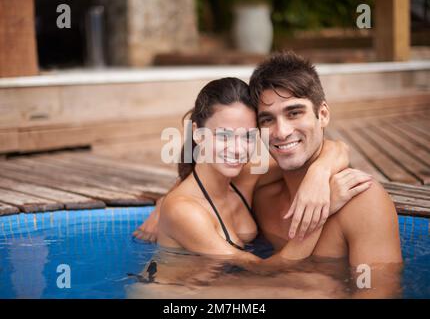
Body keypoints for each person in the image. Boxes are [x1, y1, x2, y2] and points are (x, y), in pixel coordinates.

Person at [134, 77, 371, 266]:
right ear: (198, 133)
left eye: (247, 136)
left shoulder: (243, 178)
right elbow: (267, 269)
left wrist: (318, 174)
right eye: (224, 135)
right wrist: (324, 208)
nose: (237, 150)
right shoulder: (183, 210)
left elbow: (336, 148)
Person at [249, 51, 402, 297]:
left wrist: (320, 171)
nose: (281, 131)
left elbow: (378, 292)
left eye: (294, 113)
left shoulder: (363, 202)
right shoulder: (261, 194)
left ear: (323, 115)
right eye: (267, 119)